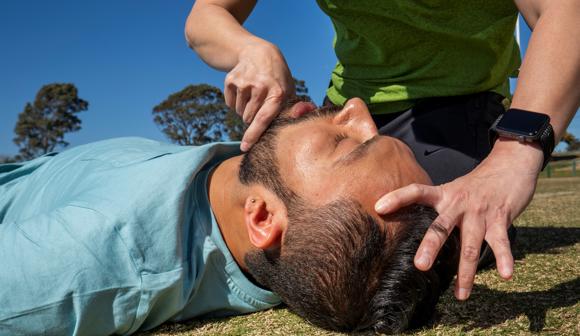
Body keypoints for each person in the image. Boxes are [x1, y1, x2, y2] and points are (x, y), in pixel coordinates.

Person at [184, 0, 580, 301]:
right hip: (348, 101)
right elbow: (206, 15)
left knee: (415, 249)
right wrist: (250, 49)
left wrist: (515, 153)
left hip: (459, 100)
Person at [1, 99, 459, 334]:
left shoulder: (96, 258)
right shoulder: (298, 242)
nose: (357, 109)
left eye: (347, 144)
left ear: (261, 219)